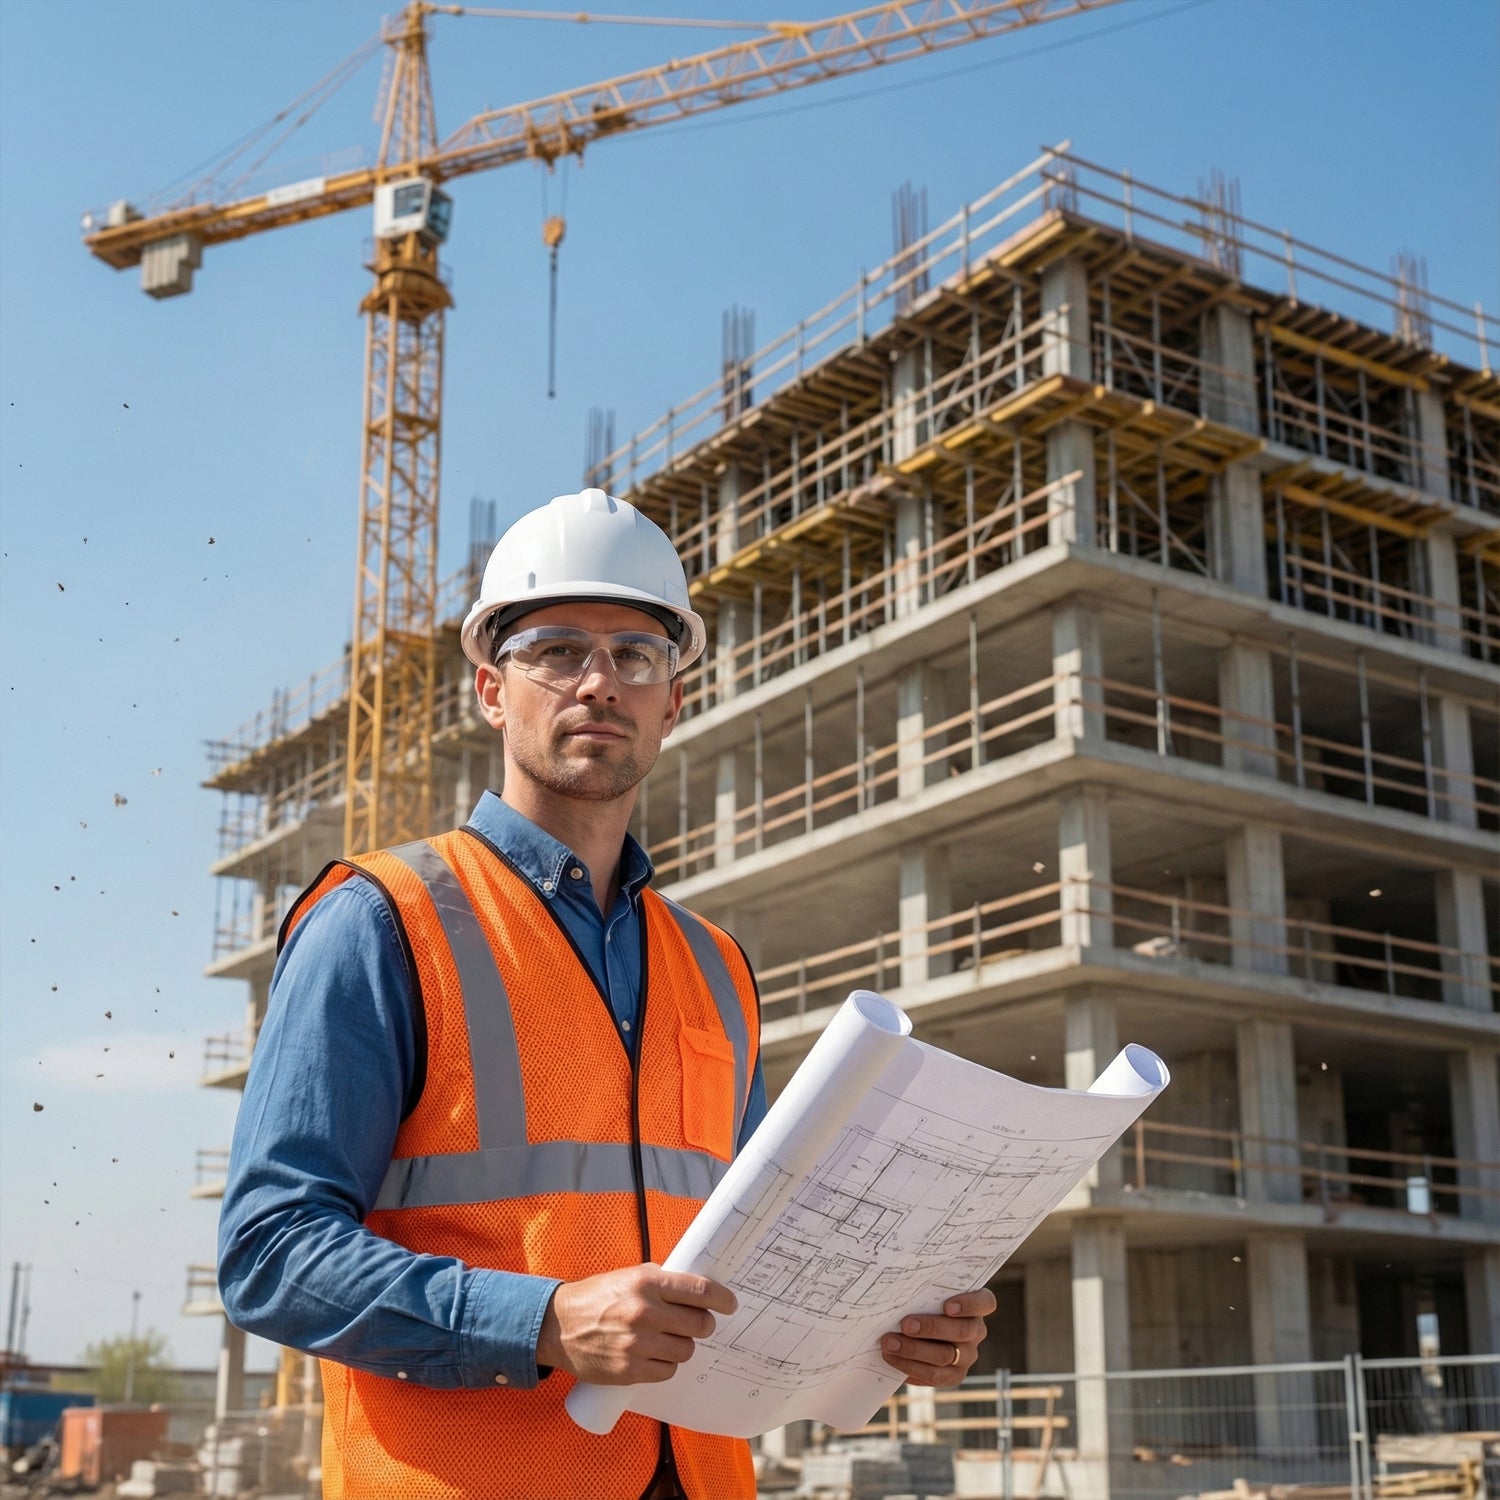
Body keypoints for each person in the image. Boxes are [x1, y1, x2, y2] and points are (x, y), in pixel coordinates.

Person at [218, 488, 996, 1500]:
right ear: (493, 689)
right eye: (556, 649)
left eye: (637, 655)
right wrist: (540, 1323)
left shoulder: (716, 967)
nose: (600, 682)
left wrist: (884, 1331)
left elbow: (760, 1250)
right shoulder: (382, 923)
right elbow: (268, 1255)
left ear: (673, 701)